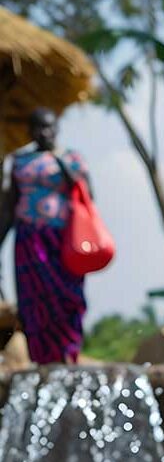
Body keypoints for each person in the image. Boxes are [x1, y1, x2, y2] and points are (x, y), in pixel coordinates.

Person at [0, 107, 89, 364]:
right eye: (39, 127)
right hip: (29, 241)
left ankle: (69, 353)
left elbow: (87, 197)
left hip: (63, 241)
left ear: (57, 128)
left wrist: (65, 167)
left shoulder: (72, 159)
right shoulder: (19, 162)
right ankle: (40, 358)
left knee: (68, 297)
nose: (45, 132)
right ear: (30, 132)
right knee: (33, 301)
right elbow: (9, 207)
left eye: (49, 126)